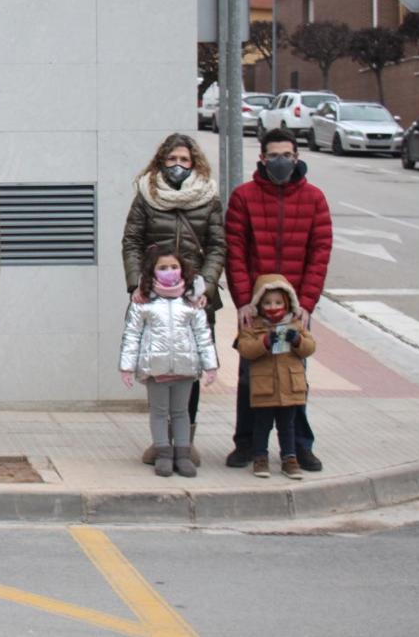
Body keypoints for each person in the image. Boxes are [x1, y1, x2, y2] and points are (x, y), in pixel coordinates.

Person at [224, 128, 333, 472]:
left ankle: (299, 447)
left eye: (286, 155)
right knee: (250, 375)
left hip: (294, 308)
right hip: (257, 309)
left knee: (295, 376)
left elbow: (320, 253)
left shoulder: (314, 198)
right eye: (273, 155)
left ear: (297, 158)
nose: (281, 161)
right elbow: (235, 252)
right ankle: (246, 444)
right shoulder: (244, 197)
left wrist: (306, 304)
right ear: (262, 158)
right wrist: (244, 301)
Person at [121, 133, 224, 467]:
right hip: (154, 296)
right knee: (156, 368)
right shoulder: (146, 195)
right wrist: (138, 284)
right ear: (161, 161)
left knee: (189, 367)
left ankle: (185, 443)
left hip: (194, 300)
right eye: (172, 159)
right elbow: (132, 242)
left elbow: (217, 246)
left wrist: (205, 287)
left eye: (184, 160)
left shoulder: (208, 196)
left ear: (194, 163)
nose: (178, 165)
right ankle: (161, 443)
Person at [119, 245, 218, 478]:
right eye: (163, 267)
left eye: (174, 266)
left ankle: (182, 455)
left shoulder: (192, 301)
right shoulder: (143, 302)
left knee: (181, 412)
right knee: (159, 412)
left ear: (183, 269)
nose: (169, 271)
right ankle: (163, 453)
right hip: (156, 368)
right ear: (152, 271)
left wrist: (210, 365)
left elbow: (203, 335)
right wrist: (127, 366)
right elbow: (132, 335)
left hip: (185, 368)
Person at [236, 274, 316, 480]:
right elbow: (245, 349)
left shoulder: (296, 324)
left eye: (278, 302)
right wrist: (263, 342)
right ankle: (260, 457)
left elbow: (309, 347)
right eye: (268, 303)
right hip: (265, 388)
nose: (273, 307)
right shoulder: (253, 327)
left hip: (290, 387)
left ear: (287, 302)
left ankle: (289, 458)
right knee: (262, 425)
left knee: (287, 426)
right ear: (259, 305)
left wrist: (297, 341)